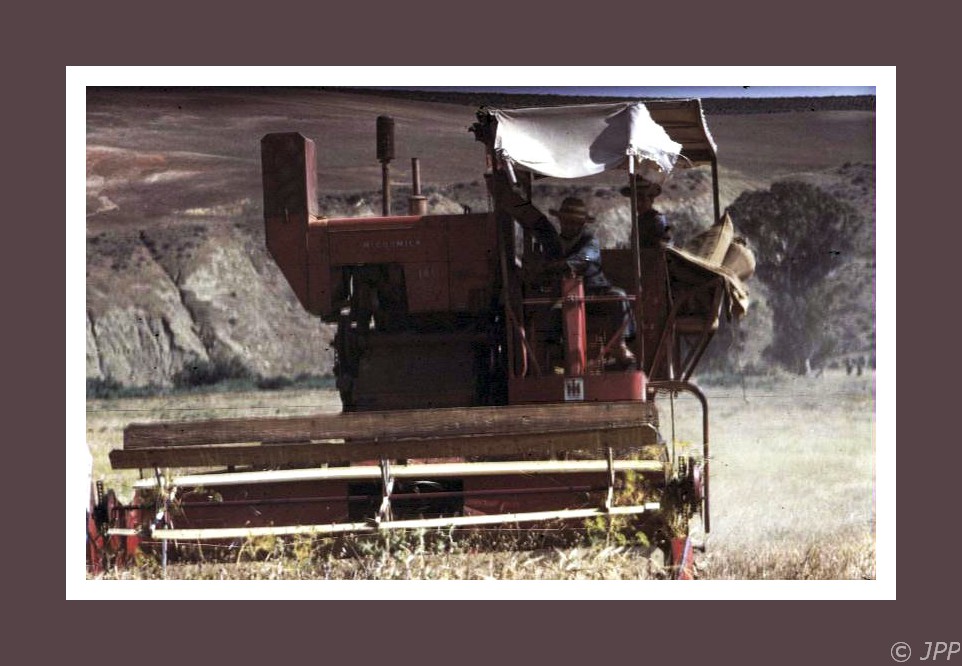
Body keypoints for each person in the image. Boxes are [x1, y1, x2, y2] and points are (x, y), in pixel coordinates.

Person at [489, 172, 636, 368]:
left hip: (594, 293)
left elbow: (584, 258)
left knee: (619, 296)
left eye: (575, 222)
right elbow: (536, 223)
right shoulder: (552, 241)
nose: (570, 225)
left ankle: (620, 345)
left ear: (582, 224)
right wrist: (507, 198)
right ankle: (552, 355)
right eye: (567, 221)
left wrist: (554, 266)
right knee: (545, 311)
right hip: (562, 295)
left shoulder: (589, 241)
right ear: (560, 221)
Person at [620, 177, 672, 247]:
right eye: (635, 200)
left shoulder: (658, 220)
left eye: (642, 199)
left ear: (651, 200)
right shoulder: (639, 220)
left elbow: (664, 246)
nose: (638, 204)